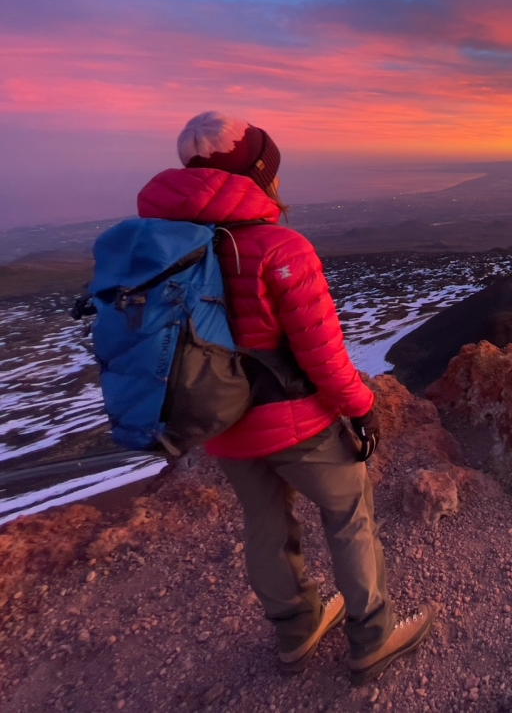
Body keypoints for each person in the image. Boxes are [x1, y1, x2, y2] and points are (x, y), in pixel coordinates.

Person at [137, 111, 432, 682]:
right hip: (297, 421)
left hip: (221, 422)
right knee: (348, 515)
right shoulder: (278, 246)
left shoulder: (165, 248)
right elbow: (321, 354)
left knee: (266, 524)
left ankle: (296, 632)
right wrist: (362, 407)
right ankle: (372, 637)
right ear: (260, 173)